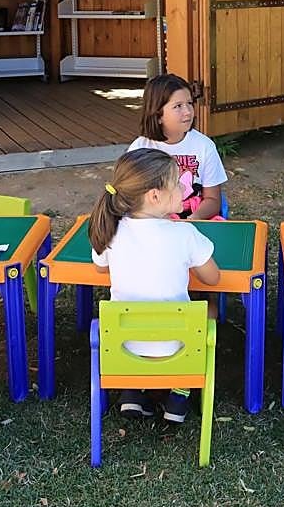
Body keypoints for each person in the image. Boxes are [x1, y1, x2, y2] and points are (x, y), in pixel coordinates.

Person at [89, 149, 221, 424]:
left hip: (124, 350)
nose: (184, 186)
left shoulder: (110, 232)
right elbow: (213, 278)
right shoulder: (185, 233)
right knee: (210, 307)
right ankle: (179, 394)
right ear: (155, 195)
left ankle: (132, 393)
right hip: (178, 349)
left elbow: (101, 267)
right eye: (177, 182)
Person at [128, 73, 227, 220]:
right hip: (153, 220)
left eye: (189, 103)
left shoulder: (205, 146)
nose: (188, 112)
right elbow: (132, 199)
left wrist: (193, 219)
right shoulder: (139, 148)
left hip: (195, 217)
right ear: (158, 115)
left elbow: (213, 200)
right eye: (178, 106)